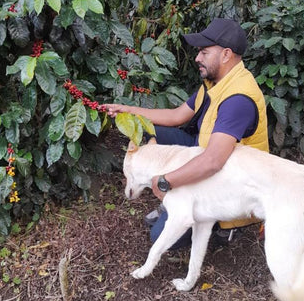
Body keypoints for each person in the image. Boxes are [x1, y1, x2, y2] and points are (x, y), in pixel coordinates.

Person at [104, 17, 269, 248]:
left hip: (227, 183)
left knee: (159, 237)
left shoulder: (238, 99)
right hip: (202, 151)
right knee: (151, 131)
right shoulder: (217, 82)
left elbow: (213, 161)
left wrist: (165, 182)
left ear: (226, 54)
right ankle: (179, 199)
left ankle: (224, 229)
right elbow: (176, 116)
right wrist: (128, 111)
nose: (197, 58)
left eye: (204, 52)